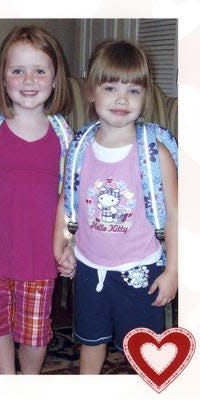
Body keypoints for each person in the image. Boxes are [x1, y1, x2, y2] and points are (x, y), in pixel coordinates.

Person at [54, 40, 178, 374]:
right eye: (110, 87)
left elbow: (177, 215)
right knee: (90, 341)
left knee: (145, 349)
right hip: (90, 268)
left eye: (134, 90)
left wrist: (174, 269)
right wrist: (63, 243)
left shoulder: (156, 153)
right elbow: (68, 201)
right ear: (91, 92)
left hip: (142, 271)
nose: (122, 99)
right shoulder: (79, 149)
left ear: (145, 97)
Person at [0, 25, 74, 374]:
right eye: (17, 70)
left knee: (35, 335)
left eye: (40, 70)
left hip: (40, 256)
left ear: (55, 80)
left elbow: (69, 199)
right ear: (2, 77)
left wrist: (70, 244)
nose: (29, 79)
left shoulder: (64, 134)